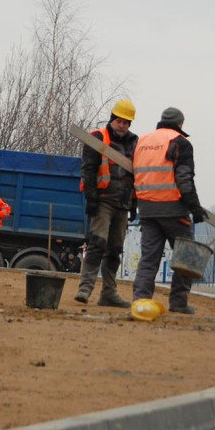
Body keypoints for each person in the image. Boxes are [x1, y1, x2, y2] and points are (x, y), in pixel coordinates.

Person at [131, 107, 206, 314]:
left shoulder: (142, 142)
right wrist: (195, 208)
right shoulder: (180, 142)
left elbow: (133, 175)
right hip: (174, 211)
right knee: (186, 258)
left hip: (146, 210)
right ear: (180, 124)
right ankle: (178, 303)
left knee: (148, 259)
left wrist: (132, 205)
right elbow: (184, 179)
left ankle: (140, 301)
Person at [74, 99, 139, 307]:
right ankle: (85, 288)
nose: (123, 126)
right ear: (113, 119)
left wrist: (134, 203)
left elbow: (136, 174)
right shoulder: (97, 138)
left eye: (127, 123)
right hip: (103, 201)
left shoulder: (134, 143)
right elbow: (89, 170)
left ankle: (108, 293)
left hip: (123, 203)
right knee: (98, 243)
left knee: (115, 249)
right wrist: (91, 199)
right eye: (120, 121)